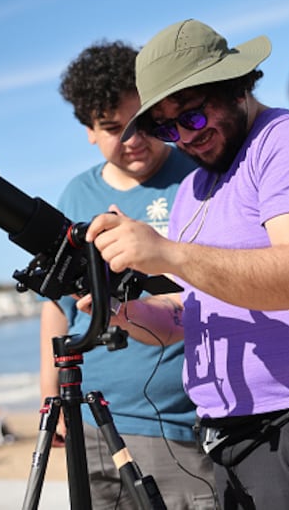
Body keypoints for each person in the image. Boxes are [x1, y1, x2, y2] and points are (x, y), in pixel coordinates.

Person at [78, 20, 289, 509]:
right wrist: (122, 313)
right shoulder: (194, 188)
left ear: (238, 87)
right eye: (165, 126)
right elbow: (193, 308)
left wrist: (164, 251)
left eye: (193, 117)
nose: (184, 137)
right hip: (228, 432)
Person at [39, 40, 215, 510]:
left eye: (141, 123)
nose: (133, 139)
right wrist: (48, 396)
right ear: (89, 132)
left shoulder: (197, 173)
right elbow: (55, 310)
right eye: (113, 129)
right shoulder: (76, 195)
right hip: (89, 418)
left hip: (177, 423)